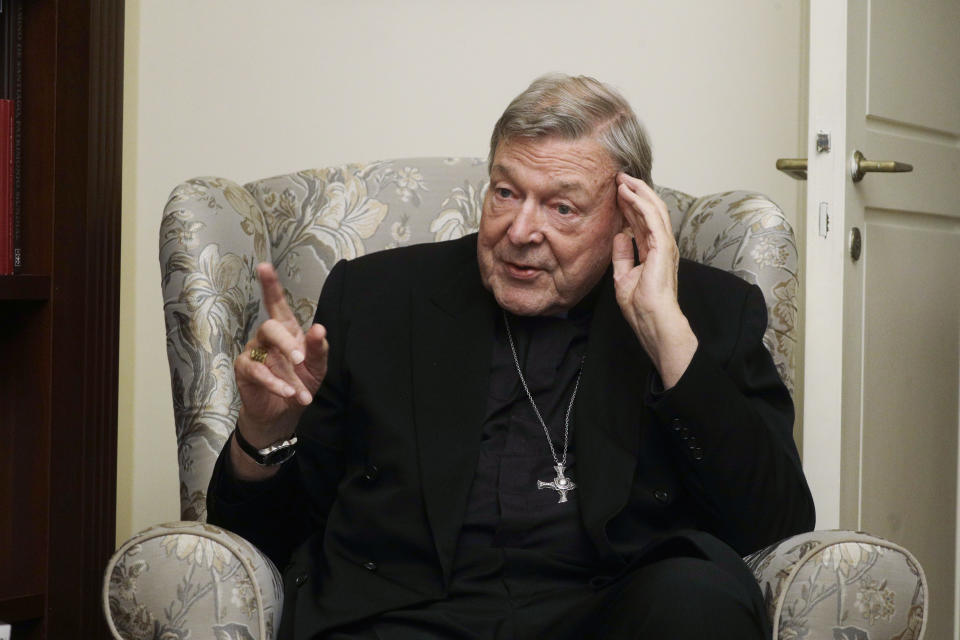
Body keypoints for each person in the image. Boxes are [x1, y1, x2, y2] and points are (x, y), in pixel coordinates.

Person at [208, 74, 815, 639]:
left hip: (610, 608)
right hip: (408, 611)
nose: (520, 229)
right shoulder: (373, 299)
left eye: (562, 207)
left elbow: (775, 520)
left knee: (698, 598)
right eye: (505, 192)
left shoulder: (705, 311)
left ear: (626, 214)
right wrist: (266, 432)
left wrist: (666, 335)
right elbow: (269, 539)